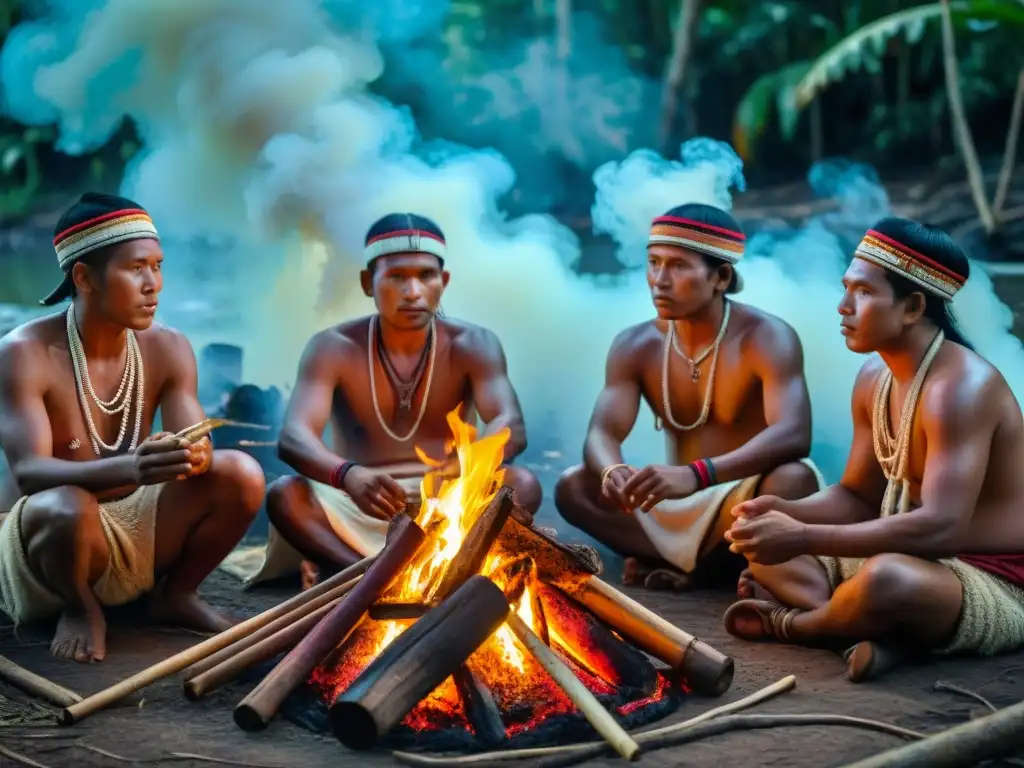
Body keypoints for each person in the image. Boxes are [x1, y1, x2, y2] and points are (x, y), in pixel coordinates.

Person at [724, 217, 1024, 681]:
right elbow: (857, 498)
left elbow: (941, 529)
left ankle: (799, 625)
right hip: (906, 554)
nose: (843, 306)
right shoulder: (874, 379)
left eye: (862, 293)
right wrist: (786, 511)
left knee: (887, 581)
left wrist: (802, 536)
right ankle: (870, 631)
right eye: (845, 289)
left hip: (992, 578)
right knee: (760, 543)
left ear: (913, 307)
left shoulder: (961, 389)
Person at [0, 193, 266, 664]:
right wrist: (134, 466)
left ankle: (177, 594)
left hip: (133, 519)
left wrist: (193, 454)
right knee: (66, 505)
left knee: (240, 472)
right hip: (44, 541)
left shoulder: (168, 346)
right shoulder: (24, 352)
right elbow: (29, 474)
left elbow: (195, 439)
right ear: (83, 277)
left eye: (158, 266)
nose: (153, 285)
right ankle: (80, 608)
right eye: (136, 268)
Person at [252, 213, 542, 586]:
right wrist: (348, 475)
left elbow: (510, 423)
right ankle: (366, 578)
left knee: (522, 483)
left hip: (450, 503)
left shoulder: (474, 344)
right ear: (366, 283)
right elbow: (294, 437)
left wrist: (472, 464)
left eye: (426, 275)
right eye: (396, 277)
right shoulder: (333, 347)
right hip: (359, 503)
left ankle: (432, 565)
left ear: (444, 282)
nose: (413, 292)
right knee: (285, 495)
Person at [554, 203, 822, 591]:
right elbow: (602, 433)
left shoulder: (766, 337)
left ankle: (683, 566)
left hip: (738, 500)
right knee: (575, 487)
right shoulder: (636, 344)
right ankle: (705, 568)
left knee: (795, 480)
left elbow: (794, 434)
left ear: (721, 277)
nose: (659, 280)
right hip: (675, 503)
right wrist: (614, 472)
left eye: (678, 266)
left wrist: (697, 475)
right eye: (654, 263)